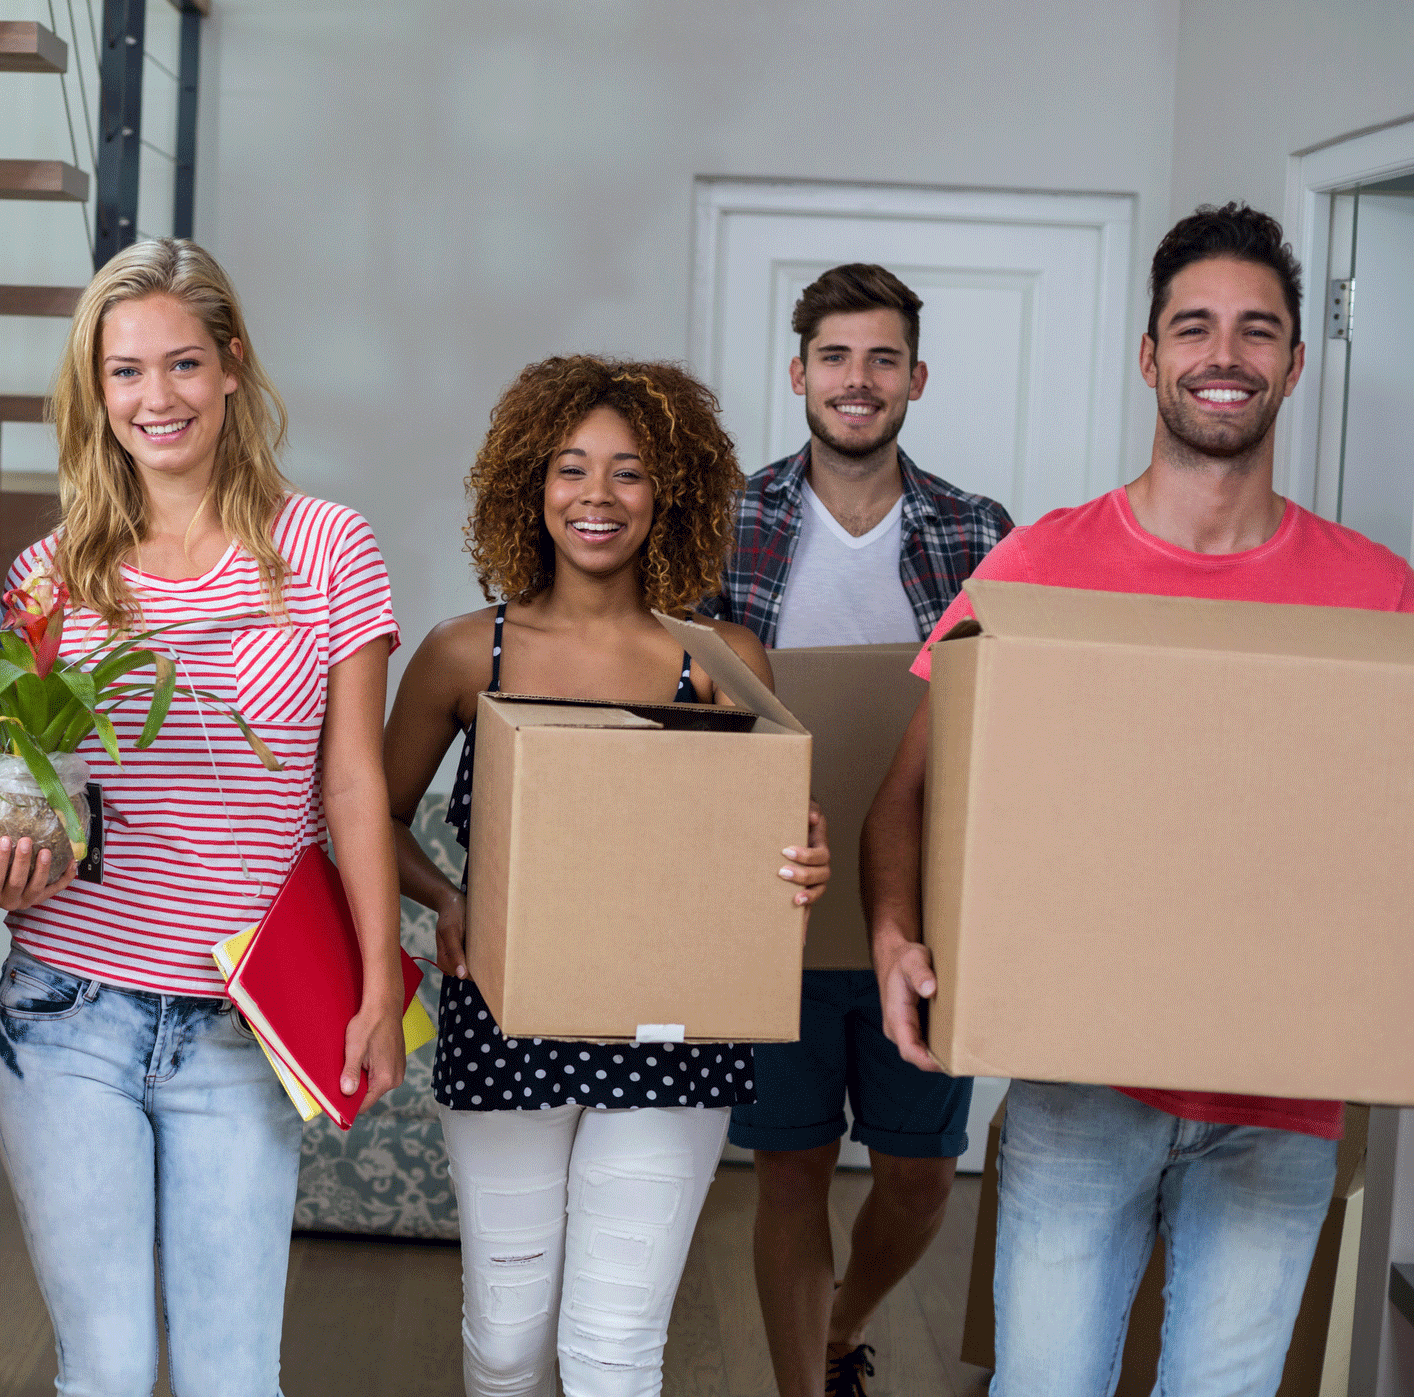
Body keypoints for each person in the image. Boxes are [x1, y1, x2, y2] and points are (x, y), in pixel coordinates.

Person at [862, 203, 1414, 1396]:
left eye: (1256, 331)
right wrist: (895, 934)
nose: (1226, 356)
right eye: (1195, 327)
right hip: (1080, 1090)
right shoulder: (1039, 568)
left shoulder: (1378, 600)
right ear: (1150, 355)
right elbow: (905, 795)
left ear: (1295, 363)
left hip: (1284, 1105)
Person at [0, 238, 405, 1395]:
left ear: (232, 366)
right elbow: (33, 793)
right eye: (125, 372)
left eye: (182, 363)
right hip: (64, 1010)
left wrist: (378, 984)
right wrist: (11, 861)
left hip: (240, 1020)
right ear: (97, 391)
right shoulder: (49, 578)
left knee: (234, 1376)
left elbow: (351, 788)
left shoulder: (327, 548)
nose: (155, 397)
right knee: (108, 1373)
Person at [383, 354, 830, 1397]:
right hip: (504, 1020)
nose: (596, 497)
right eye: (571, 469)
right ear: (529, 487)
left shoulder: (722, 660)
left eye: (627, 472)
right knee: (505, 1343)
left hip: (671, 1038)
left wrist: (794, 859)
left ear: (668, 490)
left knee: (612, 1347)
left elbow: (763, 842)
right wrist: (446, 899)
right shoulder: (463, 655)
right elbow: (370, 822)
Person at [712, 264, 1012, 1397]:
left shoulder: (978, 529)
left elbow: (1001, 723)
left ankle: (843, 1325)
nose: (858, 380)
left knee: (921, 1175)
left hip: (921, 910)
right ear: (798, 374)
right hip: (775, 904)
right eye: (835, 357)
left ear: (916, 379)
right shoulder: (735, 518)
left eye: (882, 359)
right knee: (787, 1169)